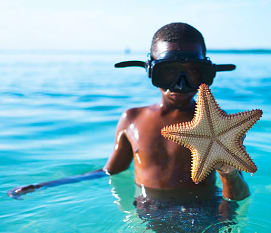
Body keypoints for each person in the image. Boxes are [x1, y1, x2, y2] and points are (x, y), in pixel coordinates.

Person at [9, 22, 250, 231]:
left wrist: (228, 171)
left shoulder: (221, 127)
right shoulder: (132, 119)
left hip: (206, 213)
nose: (180, 84)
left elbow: (237, 196)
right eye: (168, 73)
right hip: (150, 211)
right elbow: (109, 171)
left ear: (207, 73)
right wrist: (45, 185)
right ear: (151, 71)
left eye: (193, 73)